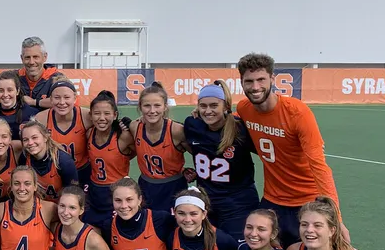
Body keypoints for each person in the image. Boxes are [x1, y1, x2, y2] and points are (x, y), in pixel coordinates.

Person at [236, 53, 344, 244]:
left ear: (272, 79)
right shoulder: (244, 108)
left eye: (261, 80)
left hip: (306, 200)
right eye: (249, 81)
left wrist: (337, 218)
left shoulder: (297, 113)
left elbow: (319, 166)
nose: (255, 87)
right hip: (272, 199)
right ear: (241, 82)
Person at [182, 81, 259, 238]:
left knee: (240, 247)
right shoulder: (192, 125)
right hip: (207, 201)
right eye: (203, 106)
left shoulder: (240, 129)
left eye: (213, 105)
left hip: (238, 202)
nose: (208, 111)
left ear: (225, 106)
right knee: (209, 249)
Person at [128, 82, 187, 213]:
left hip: (173, 188)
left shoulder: (176, 131)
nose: (152, 110)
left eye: (157, 105)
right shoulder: (134, 127)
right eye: (147, 106)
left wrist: (187, 171)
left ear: (165, 107)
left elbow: (200, 154)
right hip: (146, 186)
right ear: (140, 107)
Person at [84, 90, 134, 232]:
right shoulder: (89, 134)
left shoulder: (123, 137)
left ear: (115, 115)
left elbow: (141, 150)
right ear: (91, 115)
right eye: (97, 113)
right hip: (95, 192)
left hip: (116, 192)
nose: (101, 118)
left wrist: (123, 157)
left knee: (115, 232)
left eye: (107, 113)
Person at [0, 36, 62, 109]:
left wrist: (34, 102)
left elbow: (71, 101)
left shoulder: (56, 78)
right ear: (21, 58)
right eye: (27, 57)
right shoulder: (14, 76)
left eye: (36, 57)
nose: (31, 62)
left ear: (45, 57)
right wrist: (0, 93)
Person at [37, 79, 90, 187]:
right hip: (55, 173)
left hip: (82, 172)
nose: (62, 102)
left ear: (75, 98)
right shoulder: (41, 119)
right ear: (51, 99)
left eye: (66, 97)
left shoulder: (86, 116)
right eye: (57, 98)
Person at [18, 120, 78, 202]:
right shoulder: (24, 158)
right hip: (36, 207)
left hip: (60, 208)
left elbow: (73, 194)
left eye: (34, 137)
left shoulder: (63, 161)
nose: (30, 143)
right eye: (25, 140)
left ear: (45, 137)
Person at [0, 70, 36, 140]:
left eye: (10, 90)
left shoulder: (32, 114)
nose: (5, 95)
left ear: (17, 91)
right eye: (1, 90)